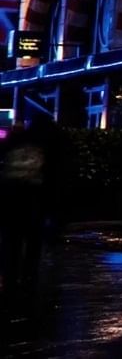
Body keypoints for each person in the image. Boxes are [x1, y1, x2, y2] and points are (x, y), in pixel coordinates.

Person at [0, 115, 54, 302]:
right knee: (31, 241)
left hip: (13, 201)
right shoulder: (43, 147)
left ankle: (11, 277)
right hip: (31, 202)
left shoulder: (13, 145)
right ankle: (27, 278)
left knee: (12, 242)